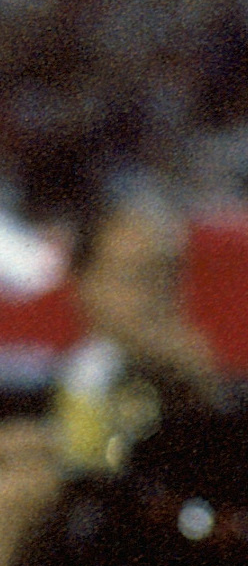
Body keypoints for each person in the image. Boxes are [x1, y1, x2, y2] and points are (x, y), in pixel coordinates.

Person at [53, 184, 228, 474]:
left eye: (171, 273)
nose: (159, 293)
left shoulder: (197, 380)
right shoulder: (69, 381)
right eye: (138, 276)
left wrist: (201, 393)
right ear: (85, 285)